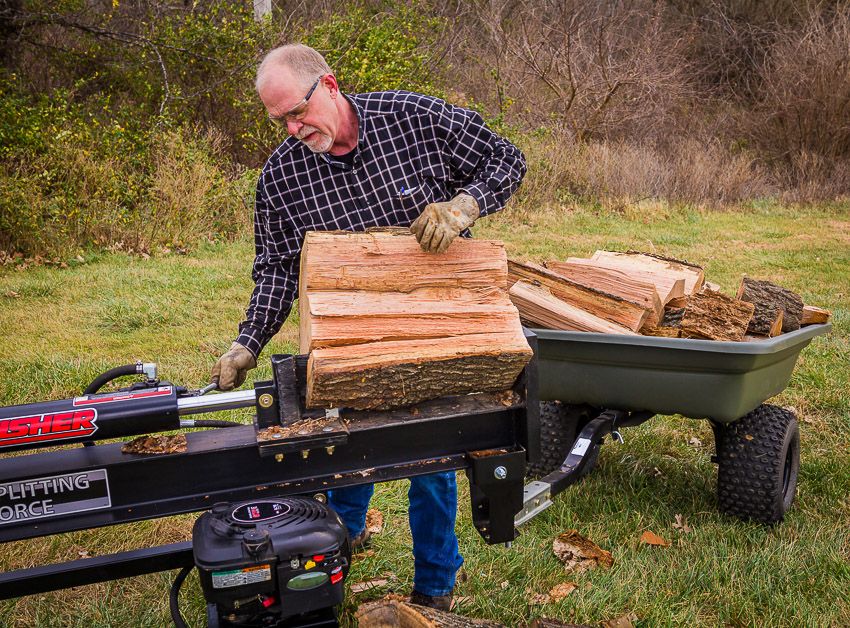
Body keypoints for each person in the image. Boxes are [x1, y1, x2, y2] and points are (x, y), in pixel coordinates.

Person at [211, 43, 526, 610]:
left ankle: (435, 587)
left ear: (329, 86)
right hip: (347, 334)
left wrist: (463, 206)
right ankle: (344, 535)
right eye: (280, 120)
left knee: (430, 459)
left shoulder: (413, 118)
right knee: (344, 441)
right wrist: (247, 342)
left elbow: (506, 159)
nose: (292, 129)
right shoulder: (281, 177)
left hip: (434, 324)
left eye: (297, 112)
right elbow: (276, 269)